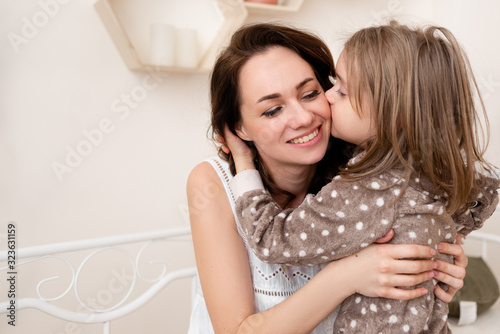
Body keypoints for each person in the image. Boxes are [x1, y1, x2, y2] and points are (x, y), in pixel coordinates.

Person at [187, 23, 469, 334]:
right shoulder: (213, 184)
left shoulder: (368, 177)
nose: (304, 118)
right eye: (272, 110)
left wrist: (435, 271)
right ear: (238, 128)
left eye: (310, 94)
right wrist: (348, 275)